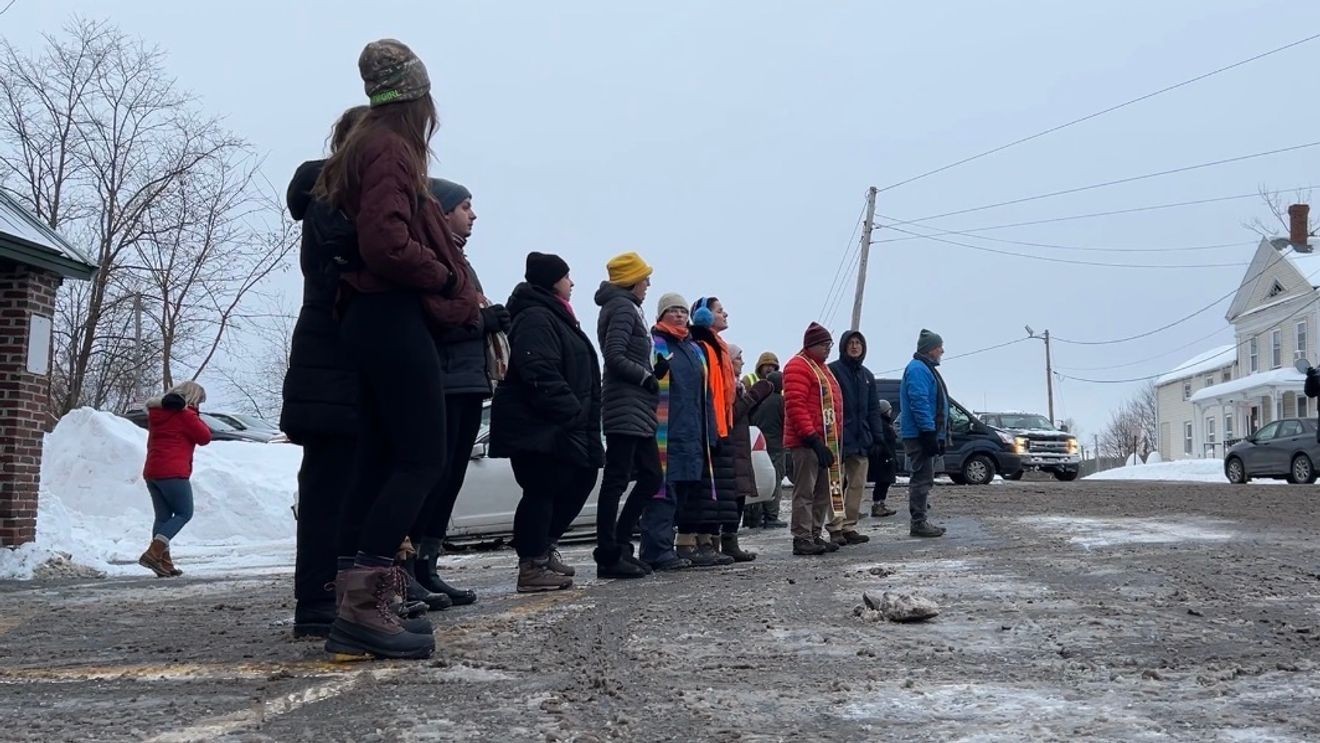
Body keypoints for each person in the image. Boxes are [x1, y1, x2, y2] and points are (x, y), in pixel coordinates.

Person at [315, 39, 480, 660]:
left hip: (372, 315)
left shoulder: (366, 144)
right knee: (421, 458)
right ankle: (364, 604)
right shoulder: (389, 147)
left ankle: (356, 603)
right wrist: (440, 275)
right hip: (388, 313)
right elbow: (386, 242)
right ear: (416, 97)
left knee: (383, 458)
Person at [283, 104, 369, 638]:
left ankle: (332, 593)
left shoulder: (336, 198)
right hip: (332, 361)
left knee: (340, 483)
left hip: (335, 359)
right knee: (329, 487)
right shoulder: (333, 201)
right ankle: (318, 597)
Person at [406, 178, 509, 608]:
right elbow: (436, 318)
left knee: (450, 481)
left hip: (469, 381)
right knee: (431, 477)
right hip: (443, 381)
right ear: (442, 211)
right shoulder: (431, 257)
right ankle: (407, 568)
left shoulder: (461, 261)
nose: (473, 215)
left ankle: (428, 565)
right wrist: (483, 323)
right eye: (465, 206)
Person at [489, 253, 604, 592]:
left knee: (580, 477)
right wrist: (569, 409)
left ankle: (545, 547)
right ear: (553, 280)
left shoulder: (554, 315)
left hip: (560, 424)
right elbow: (537, 367)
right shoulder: (537, 316)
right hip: (539, 425)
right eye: (568, 277)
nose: (572, 283)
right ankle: (532, 565)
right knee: (541, 490)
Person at [592, 252, 662, 580]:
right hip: (624, 405)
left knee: (651, 477)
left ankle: (620, 545)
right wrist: (644, 376)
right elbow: (614, 355)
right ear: (632, 280)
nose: (648, 284)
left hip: (637, 407)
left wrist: (655, 369)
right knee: (617, 480)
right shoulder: (620, 307)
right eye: (645, 278)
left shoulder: (629, 307)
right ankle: (608, 555)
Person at [638, 293, 711, 571]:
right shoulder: (655, 345)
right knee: (661, 494)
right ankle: (656, 550)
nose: (680, 315)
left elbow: (705, 394)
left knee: (682, 493)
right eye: (673, 311)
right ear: (661, 315)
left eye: (683, 310)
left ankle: (665, 546)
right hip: (664, 432)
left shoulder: (693, 349)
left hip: (691, 433)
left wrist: (710, 432)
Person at [676, 297, 740, 567]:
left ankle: (706, 541)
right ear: (703, 315)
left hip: (720, 425)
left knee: (715, 490)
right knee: (703, 487)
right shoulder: (702, 345)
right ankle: (689, 541)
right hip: (707, 426)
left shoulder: (718, 346)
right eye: (718, 310)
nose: (725, 313)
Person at [139, 381, 212, 578]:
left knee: (162, 518)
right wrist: (194, 413)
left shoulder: (157, 413)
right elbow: (205, 437)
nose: (199, 406)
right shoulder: (185, 415)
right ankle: (153, 552)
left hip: (152, 471)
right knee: (184, 513)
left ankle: (164, 562)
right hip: (174, 472)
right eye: (199, 402)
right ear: (192, 399)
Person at [784, 323, 844, 556]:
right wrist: (812, 438)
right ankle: (802, 536)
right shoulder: (798, 367)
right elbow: (796, 406)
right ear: (811, 345)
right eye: (824, 345)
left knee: (823, 491)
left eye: (829, 345)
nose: (829, 349)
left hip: (826, 441)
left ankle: (815, 533)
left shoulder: (822, 368)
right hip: (807, 442)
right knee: (805, 491)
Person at [826, 330, 882, 546]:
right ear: (843, 346)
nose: (855, 346)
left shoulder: (867, 376)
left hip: (861, 438)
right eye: (851, 343)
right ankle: (835, 526)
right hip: (839, 438)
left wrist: (877, 436)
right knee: (835, 484)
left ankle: (849, 525)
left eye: (859, 343)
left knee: (857, 484)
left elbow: (873, 408)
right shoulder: (833, 371)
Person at [900, 329, 950, 538]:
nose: (942, 351)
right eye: (939, 347)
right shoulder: (919, 370)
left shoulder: (924, 368)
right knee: (921, 478)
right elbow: (920, 402)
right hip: (920, 434)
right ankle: (918, 522)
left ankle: (920, 519)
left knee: (924, 477)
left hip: (924, 432)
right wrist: (929, 432)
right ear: (930, 349)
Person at [726, 344, 774, 561]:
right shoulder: (729, 385)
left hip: (741, 443)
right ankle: (726, 542)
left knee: (739, 495)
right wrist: (754, 396)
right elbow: (732, 414)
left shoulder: (738, 385)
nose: (742, 362)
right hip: (731, 445)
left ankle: (730, 541)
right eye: (738, 358)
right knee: (732, 496)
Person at [745, 353, 787, 529]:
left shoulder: (758, 400)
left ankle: (752, 519)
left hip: (757, 445)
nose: (769, 368)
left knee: (756, 481)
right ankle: (771, 517)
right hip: (776, 446)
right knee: (774, 481)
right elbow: (787, 424)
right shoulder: (781, 402)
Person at [869, 399, 900, 518]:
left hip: (887, 456)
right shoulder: (882, 425)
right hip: (884, 457)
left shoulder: (885, 423)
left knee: (884, 482)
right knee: (882, 482)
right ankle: (877, 505)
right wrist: (889, 455)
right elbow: (884, 442)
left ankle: (881, 504)